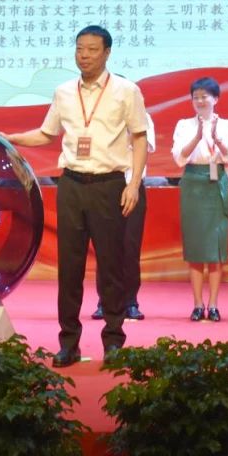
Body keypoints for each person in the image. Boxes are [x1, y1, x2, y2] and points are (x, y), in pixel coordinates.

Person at [6, 25, 148, 367]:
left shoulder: (127, 91)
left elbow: (139, 137)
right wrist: (10, 137)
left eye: (92, 50)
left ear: (107, 53)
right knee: (69, 268)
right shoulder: (64, 91)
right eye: (80, 49)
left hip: (109, 185)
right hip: (70, 185)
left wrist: (133, 184)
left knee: (111, 266)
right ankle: (68, 343)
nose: (84, 56)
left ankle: (113, 340)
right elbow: (46, 134)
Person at [171, 77, 228, 321]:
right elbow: (179, 158)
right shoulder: (184, 124)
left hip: (216, 180)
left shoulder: (227, 125)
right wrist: (198, 135)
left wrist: (217, 138)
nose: (200, 101)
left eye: (205, 96)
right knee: (196, 247)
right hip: (193, 182)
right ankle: (197, 304)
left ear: (216, 99)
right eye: (196, 97)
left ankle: (213, 305)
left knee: (215, 247)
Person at [92, 113, 155, 322]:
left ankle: (130, 301)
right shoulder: (102, 115)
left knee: (130, 246)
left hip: (133, 187)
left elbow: (143, 146)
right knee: (105, 246)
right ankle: (104, 301)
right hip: (106, 187)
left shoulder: (143, 117)